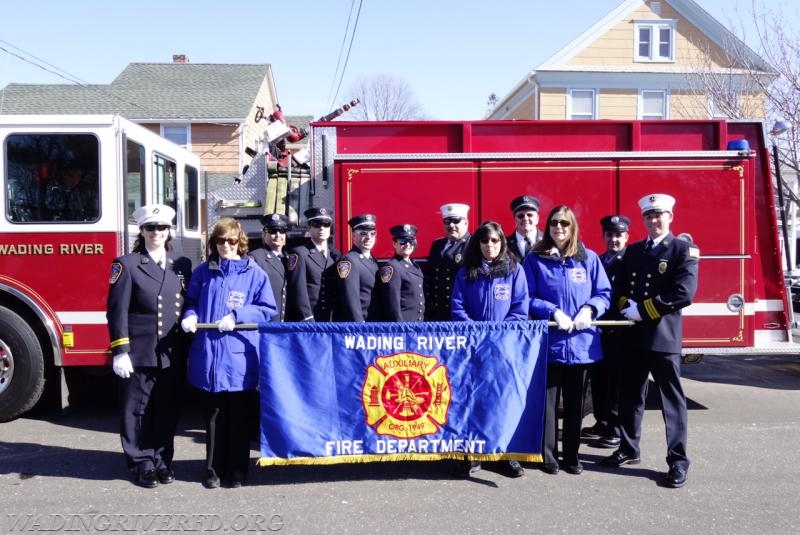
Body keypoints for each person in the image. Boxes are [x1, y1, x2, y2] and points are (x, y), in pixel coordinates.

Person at [601, 194, 699, 489]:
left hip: (663, 337)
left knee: (672, 402)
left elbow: (684, 293)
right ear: (643, 219)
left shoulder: (683, 249)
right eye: (649, 216)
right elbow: (618, 288)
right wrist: (625, 305)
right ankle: (629, 448)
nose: (654, 220)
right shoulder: (633, 250)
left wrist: (642, 310)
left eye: (659, 215)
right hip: (633, 336)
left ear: (670, 217)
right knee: (631, 396)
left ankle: (678, 461)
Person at [180, 217, 277, 489]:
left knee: (238, 417)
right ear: (214, 243)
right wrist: (190, 315)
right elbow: (191, 301)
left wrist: (237, 315)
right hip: (209, 356)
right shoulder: (202, 272)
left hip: (238, 358)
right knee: (213, 417)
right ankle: (212, 470)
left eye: (231, 241)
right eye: (220, 240)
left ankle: (237, 471)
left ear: (240, 242)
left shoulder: (254, 274)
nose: (226, 245)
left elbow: (267, 309)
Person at [106, 204, 191, 488]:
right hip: (140, 351)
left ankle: (162, 460)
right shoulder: (127, 264)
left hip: (171, 352)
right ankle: (141, 461)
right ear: (141, 231)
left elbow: (187, 302)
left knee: (167, 409)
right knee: (137, 410)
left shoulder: (181, 265)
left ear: (169, 231)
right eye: (151, 227)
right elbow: (116, 311)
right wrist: (120, 351)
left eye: (162, 227)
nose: (157, 232)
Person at [524, 205, 610, 476]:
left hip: (582, 345)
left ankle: (571, 455)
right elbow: (527, 297)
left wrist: (590, 309)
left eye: (564, 223)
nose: (558, 228)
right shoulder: (535, 259)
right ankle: (548, 455)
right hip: (549, 344)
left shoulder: (589, 258)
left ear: (573, 227)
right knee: (548, 405)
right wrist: (552, 311)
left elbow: (604, 293)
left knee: (575, 405)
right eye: (554, 223)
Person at [451, 221, 529, 478]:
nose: (489, 245)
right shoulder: (465, 272)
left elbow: (520, 308)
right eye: (484, 241)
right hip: (473, 348)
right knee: (472, 401)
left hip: (503, 348)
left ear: (502, 242)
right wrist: (476, 333)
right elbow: (458, 307)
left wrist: (498, 334)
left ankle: (504, 455)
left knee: (503, 402)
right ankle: (472, 454)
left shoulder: (514, 270)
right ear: (478, 244)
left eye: (495, 240)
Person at [582, 215, 630, 449]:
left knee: (616, 383)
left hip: (619, 331)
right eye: (609, 235)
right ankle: (602, 422)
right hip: (599, 330)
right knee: (599, 380)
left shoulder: (630, 262)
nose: (614, 239)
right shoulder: (599, 261)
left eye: (618, 235)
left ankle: (616, 429)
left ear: (626, 237)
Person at [285, 207, 342, 321]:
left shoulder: (335, 255)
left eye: (326, 224)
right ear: (309, 227)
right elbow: (298, 289)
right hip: (310, 319)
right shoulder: (300, 253)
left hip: (331, 318)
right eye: (316, 224)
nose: (321, 228)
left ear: (330, 228)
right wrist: (307, 318)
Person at [424, 203, 471, 321]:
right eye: (447, 221)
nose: (451, 225)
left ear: (466, 222)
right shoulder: (437, 245)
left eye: (456, 221)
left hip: (461, 312)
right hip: (436, 312)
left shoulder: (473, 244)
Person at [375, 224, 425, 321]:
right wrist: (399, 326)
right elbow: (392, 304)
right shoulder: (391, 267)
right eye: (403, 241)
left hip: (417, 323)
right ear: (394, 244)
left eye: (411, 241)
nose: (407, 245)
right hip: (403, 325)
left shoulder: (414, 265)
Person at [336, 214, 379, 321]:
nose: (369, 237)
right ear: (354, 235)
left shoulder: (373, 260)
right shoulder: (348, 261)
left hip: (374, 322)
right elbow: (350, 298)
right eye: (363, 233)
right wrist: (359, 326)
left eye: (372, 233)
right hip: (361, 323)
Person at [250, 213, 288, 322]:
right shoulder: (256, 258)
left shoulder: (289, 258)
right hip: (266, 322)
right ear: (263, 234)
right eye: (272, 231)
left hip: (287, 322)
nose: (278, 235)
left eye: (281, 231)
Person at [506, 195, 543, 262]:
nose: (525, 218)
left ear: (537, 219)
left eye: (529, 215)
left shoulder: (548, 241)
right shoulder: (504, 244)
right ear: (515, 220)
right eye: (521, 216)